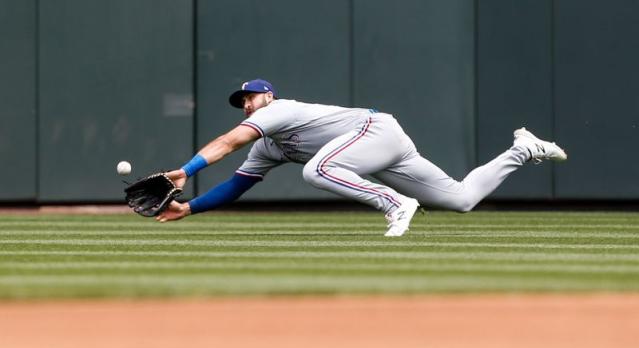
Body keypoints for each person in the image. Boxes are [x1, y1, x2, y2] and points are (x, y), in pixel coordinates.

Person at [156, 79, 567, 236]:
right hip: (373, 153)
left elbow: (228, 143)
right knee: (460, 199)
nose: (247, 104)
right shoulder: (268, 145)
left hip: (377, 132)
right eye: (242, 101)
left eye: (251, 96)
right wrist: (187, 208)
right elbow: (236, 186)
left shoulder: (277, 110)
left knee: (318, 170)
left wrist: (187, 170)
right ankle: (523, 148)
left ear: (269, 96)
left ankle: (396, 203)